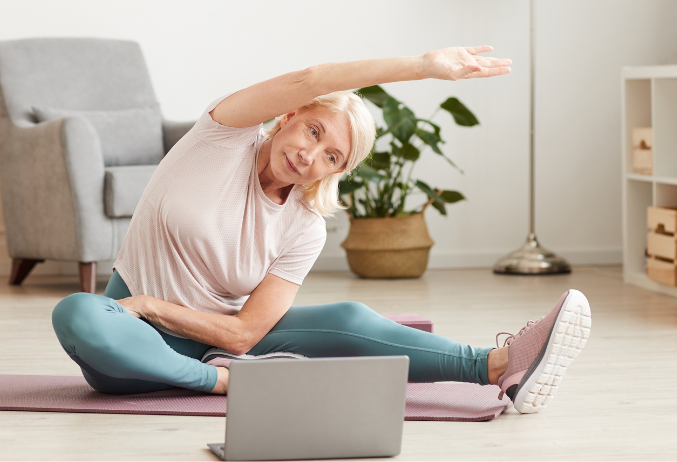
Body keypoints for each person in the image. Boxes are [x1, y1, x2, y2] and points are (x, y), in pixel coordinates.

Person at [52, 46, 592, 414]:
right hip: (131, 346)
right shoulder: (220, 138)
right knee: (76, 311)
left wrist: (154, 305)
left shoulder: (305, 225)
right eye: (312, 130)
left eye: (331, 156)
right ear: (289, 114)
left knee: (348, 317)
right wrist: (424, 66)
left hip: (219, 343)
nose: (309, 155)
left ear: (336, 171)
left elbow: (244, 334)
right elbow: (312, 78)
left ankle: (499, 367)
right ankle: (221, 384)